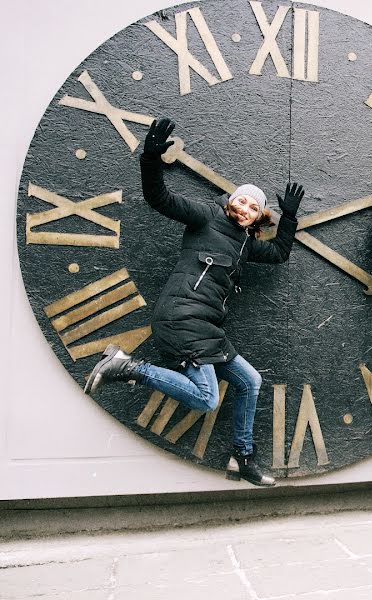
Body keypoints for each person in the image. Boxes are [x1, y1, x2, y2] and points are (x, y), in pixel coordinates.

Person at [84, 117, 304, 487]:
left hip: (207, 327)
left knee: (249, 381)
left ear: (258, 217)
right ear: (231, 201)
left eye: (253, 206)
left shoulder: (245, 244)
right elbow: (159, 197)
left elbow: (280, 253)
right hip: (181, 317)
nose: (245, 206)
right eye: (241, 199)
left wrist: (291, 218)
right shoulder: (206, 217)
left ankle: (241, 457)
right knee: (206, 398)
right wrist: (150, 157)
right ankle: (126, 367)